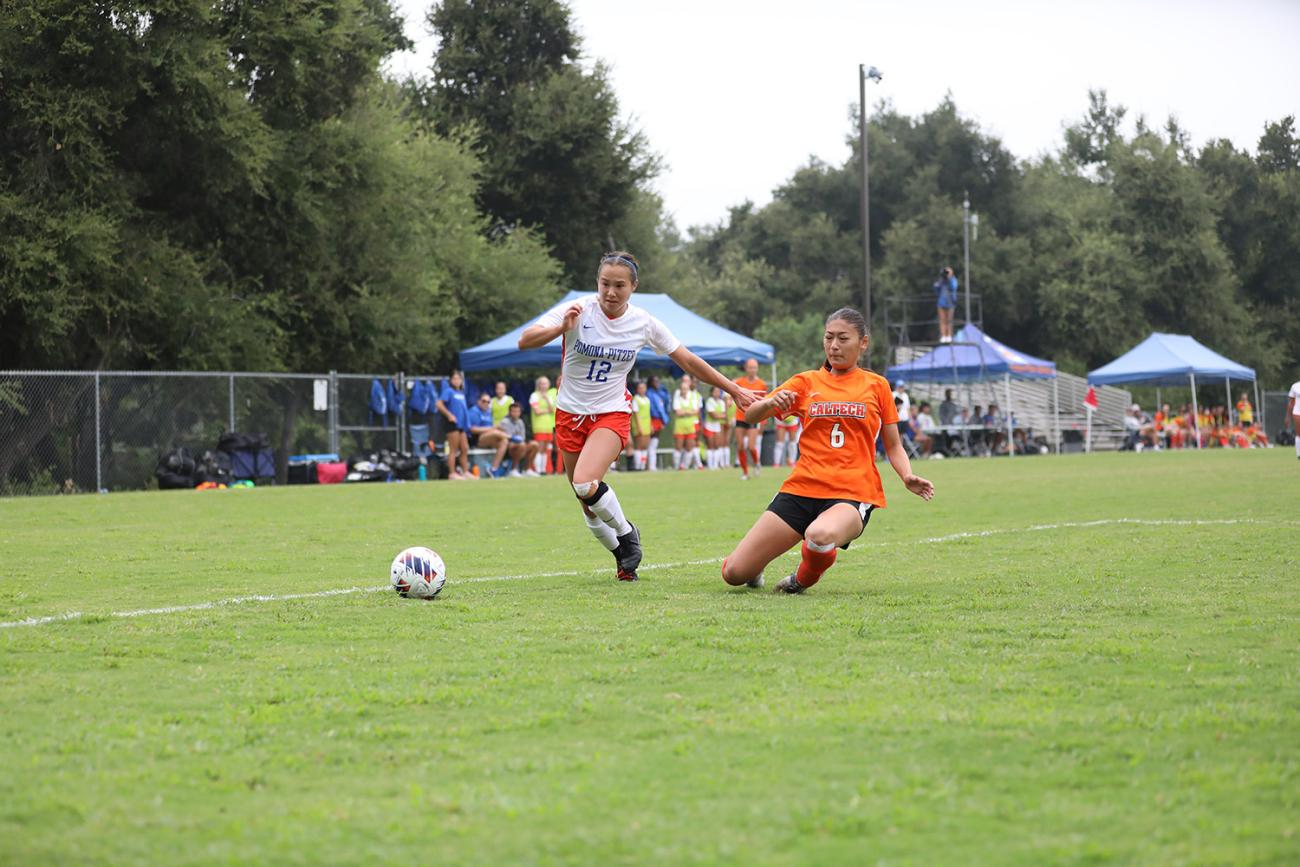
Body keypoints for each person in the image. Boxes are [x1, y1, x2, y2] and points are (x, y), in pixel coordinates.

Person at [516, 250, 758, 581]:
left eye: (619, 285)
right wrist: (561, 327)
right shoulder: (578, 310)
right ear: (596, 283)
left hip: (611, 413)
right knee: (586, 503)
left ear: (634, 287)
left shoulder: (644, 323)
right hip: (569, 415)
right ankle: (622, 556)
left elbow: (687, 360)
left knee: (586, 483)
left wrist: (734, 389)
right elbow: (524, 340)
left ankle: (628, 534)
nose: (611, 292)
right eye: (604, 284)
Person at [720, 307, 934, 593]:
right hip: (802, 488)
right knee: (733, 573)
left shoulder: (877, 385)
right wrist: (771, 403)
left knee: (819, 534)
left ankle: (800, 580)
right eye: (829, 338)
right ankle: (756, 566)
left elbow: (893, 444)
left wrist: (907, 475)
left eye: (843, 338)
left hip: (851, 492)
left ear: (863, 343)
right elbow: (751, 415)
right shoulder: (806, 382)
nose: (834, 345)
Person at [733, 358, 768, 479]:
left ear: (757, 369)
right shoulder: (739, 382)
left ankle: (757, 463)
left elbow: (765, 402)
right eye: (750, 367)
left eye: (754, 367)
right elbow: (731, 395)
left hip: (754, 417)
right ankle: (745, 472)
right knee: (740, 445)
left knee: (752, 446)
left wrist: (764, 420)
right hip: (740, 417)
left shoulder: (762, 384)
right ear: (746, 368)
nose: (752, 370)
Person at [436, 371, 472, 480]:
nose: (457, 381)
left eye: (458, 379)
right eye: (454, 379)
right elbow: (438, 404)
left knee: (465, 448)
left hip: (461, 425)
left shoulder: (461, 393)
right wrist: (449, 415)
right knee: (453, 449)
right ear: (451, 381)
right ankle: (452, 473)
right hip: (452, 424)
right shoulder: (448, 391)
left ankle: (465, 472)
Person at [468, 392, 510, 477]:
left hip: (488, 437)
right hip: (476, 439)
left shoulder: (488, 412)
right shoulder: (474, 411)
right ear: (478, 401)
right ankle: (511, 437)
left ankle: (494, 469)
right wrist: (492, 429)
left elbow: (491, 427)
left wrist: (494, 428)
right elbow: (472, 429)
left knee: (504, 441)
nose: (486, 403)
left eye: (488, 402)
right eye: (484, 401)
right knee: (496, 433)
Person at [498, 402, 540, 476]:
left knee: (535, 444)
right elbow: (507, 437)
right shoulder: (505, 422)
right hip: (508, 447)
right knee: (521, 445)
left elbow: (522, 437)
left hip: (520, 445)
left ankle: (527, 470)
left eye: (517, 411)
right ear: (510, 412)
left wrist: (520, 441)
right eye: (514, 411)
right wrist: (518, 440)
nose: (516, 413)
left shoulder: (520, 421)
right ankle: (513, 470)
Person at [672, 374, 703, 470]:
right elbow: (677, 411)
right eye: (683, 381)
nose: (685, 384)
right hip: (680, 425)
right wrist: (689, 412)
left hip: (692, 424)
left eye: (687, 381)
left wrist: (684, 411)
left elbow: (696, 410)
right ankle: (677, 466)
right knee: (679, 446)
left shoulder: (694, 395)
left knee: (691, 445)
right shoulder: (677, 394)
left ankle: (685, 466)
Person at [528, 376, 557, 474]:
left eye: (545, 383)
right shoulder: (534, 395)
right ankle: (538, 470)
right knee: (539, 448)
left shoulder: (550, 396)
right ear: (538, 385)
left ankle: (543, 469)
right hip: (539, 426)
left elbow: (553, 409)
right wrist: (547, 410)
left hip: (549, 426)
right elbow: (537, 411)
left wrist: (547, 400)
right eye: (542, 383)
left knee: (545, 448)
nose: (544, 386)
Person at [646, 375, 670, 471]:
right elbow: (651, 410)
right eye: (655, 381)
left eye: (658, 381)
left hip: (658, 420)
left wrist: (664, 420)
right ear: (651, 383)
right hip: (652, 420)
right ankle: (650, 466)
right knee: (650, 444)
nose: (657, 383)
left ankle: (652, 465)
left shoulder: (659, 393)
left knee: (654, 443)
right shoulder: (649, 394)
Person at [629, 380, 653, 470]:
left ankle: (643, 466)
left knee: (645, 447)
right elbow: (636, 415)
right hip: (640, 426)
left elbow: (648, 414)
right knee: (639, 446)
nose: (642, 389)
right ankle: (638, 466)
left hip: (647, 425)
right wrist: (639, 427)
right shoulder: (635, 399)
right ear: (637, 389)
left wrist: (651, 425)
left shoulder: (647, 399)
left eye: (643, 387)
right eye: (640, 388)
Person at [704, 386, 728, 469]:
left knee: (717, 445)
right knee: (711, 446)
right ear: (711, 393)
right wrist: (719, 415)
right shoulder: (709, 401)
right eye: (715, 391)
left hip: (717, 425)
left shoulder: (721, 402)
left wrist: (718, 415)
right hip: (709, 425)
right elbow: (713, 415)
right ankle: (710, 466)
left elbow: (724, 415)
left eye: (718, 392)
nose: (717, 393)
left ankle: (716, 465)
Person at [933, 266, 958, 343]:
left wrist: (949, 279)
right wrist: (939, 282)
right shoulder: (941, 280)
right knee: (942, 320)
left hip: (950, 303)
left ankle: (949, 335)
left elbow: (953, 287)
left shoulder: (953, 280)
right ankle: (943, 335)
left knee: (949, 320)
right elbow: (936, 289)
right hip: (941, 302)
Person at [1287, 379, 1300, 459]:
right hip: (1298, 412)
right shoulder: (1295, 386)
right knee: (1299, 433)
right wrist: (1288, 416)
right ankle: (1299, 454)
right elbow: (1291, 403)